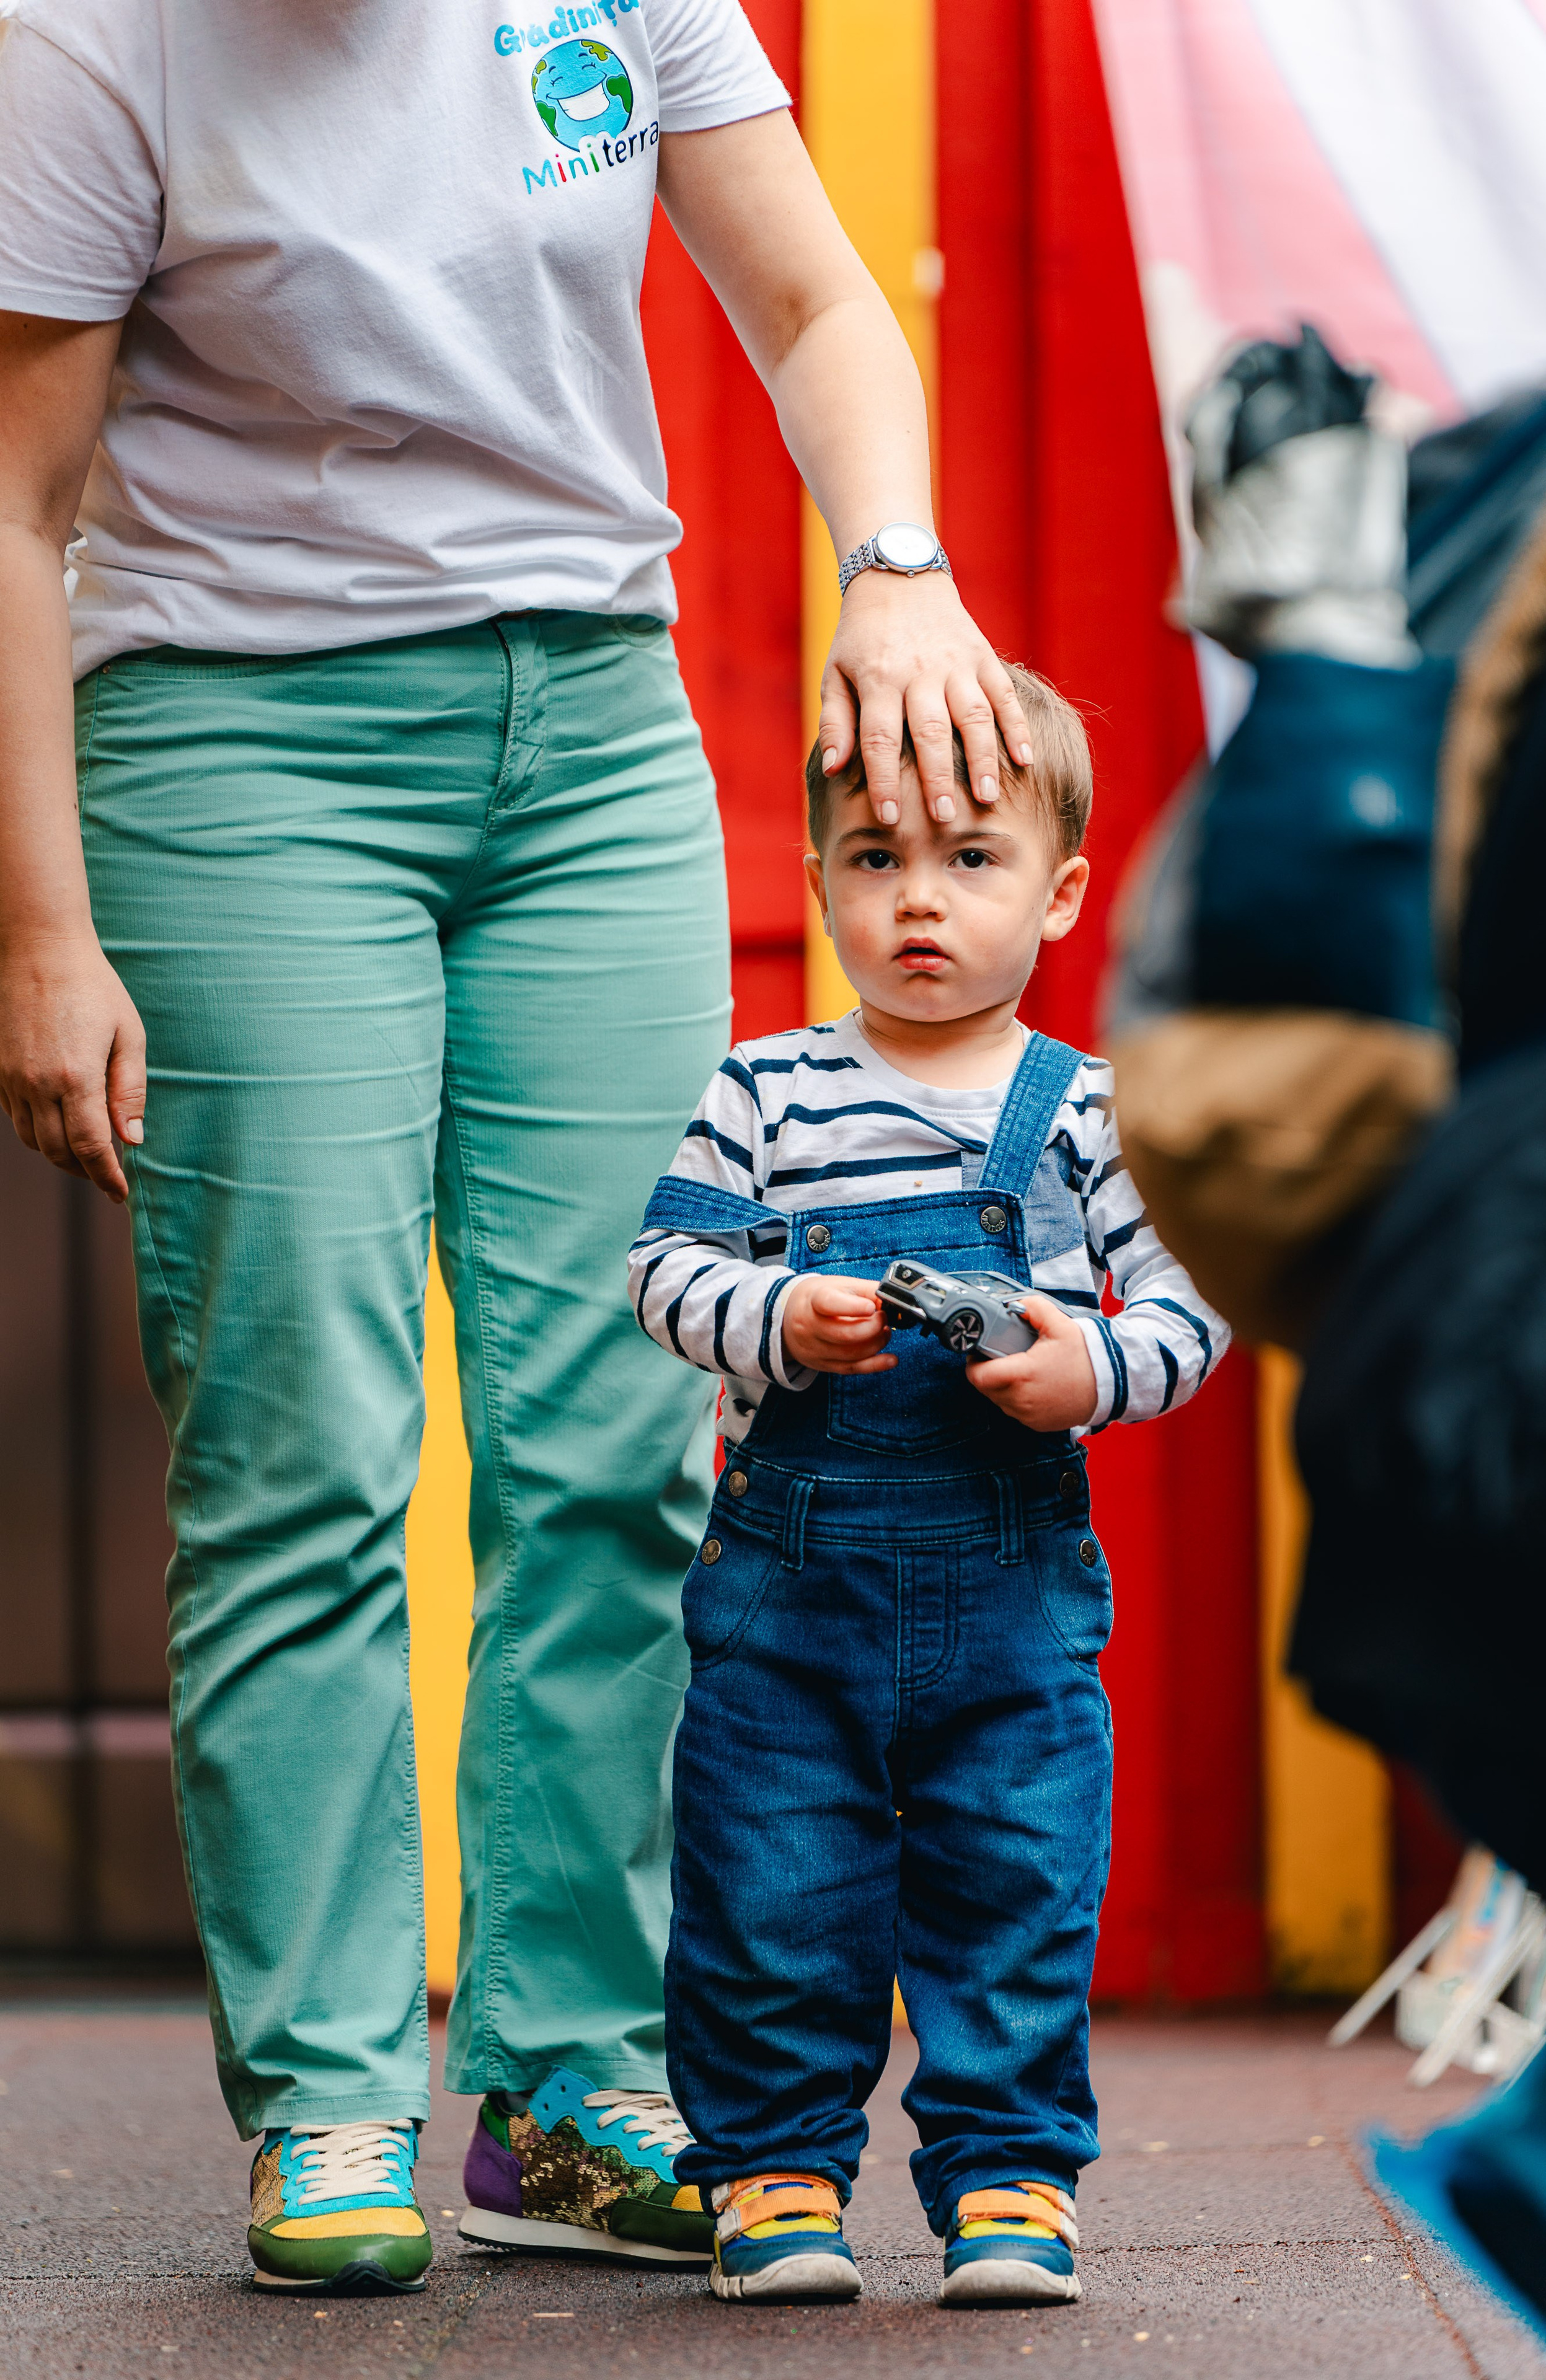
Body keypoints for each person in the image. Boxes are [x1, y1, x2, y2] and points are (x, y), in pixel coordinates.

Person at [0, 0, 1034, 2298]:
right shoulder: (90, 37)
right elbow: (16, 500)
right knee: (301, 1446)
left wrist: (896, 563)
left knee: (623, 1435)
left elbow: (813, 298)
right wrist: (38, 927)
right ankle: (331, 2092)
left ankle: (570, 2081)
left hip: (592, 737)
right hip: (242, 740)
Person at [624, 669, 1229, 2307]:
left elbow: (1191, 1308)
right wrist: (779, 1316)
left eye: (971, 860)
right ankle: (774, 2174)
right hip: (793, 1574)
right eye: (875, 857)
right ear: (820, 877)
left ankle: (1011, 2178)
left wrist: (1087, 1367)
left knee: (1017, 1875)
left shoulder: (1089, 1110)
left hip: (1010, 1579)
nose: (919, 901)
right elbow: (664, 1270)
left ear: (1061, 891)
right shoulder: (765, 1089)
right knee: (770, 1875)